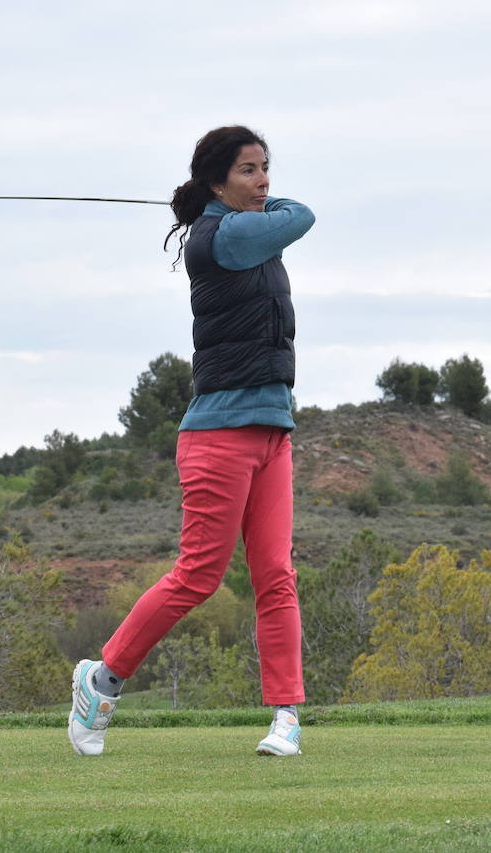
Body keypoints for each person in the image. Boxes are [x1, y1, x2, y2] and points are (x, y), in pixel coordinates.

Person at [68, 126, 315, 757]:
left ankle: (286, 717)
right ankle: (102, 681)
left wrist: (237, 200)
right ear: (216, 181)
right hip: (218, 437)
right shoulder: (223, 238)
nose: (264, 181)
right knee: (199, 576)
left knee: (276, 577)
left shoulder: (245, 228)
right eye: (248, 171)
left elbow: (282, 216)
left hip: (272, 433)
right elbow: (303, 215)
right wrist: (230, 208)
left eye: (266, 169)